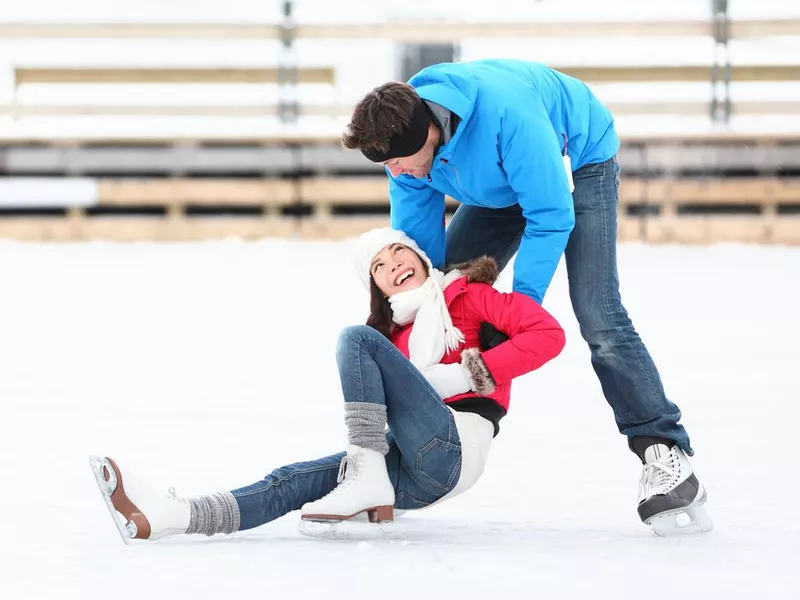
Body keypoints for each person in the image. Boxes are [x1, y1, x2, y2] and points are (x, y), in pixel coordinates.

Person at [340, 58, 712, 535]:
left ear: (427, 135)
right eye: (386, 164)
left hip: (578, 161)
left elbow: (551, 215)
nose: (394, 172)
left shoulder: (507, 116)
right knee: (445, 292)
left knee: (599, 314)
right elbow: (422, 263)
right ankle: (433, 426)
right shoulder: (400, 139)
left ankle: (664, 450)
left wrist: (522, 308)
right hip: (502, 182)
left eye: (396, 161)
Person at [90, 227, 565, 542]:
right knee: (291, 480)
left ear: (419, 256)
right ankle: (177, 516)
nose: (393, 262)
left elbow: (549, 335)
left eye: (398, 249)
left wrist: (466, 374)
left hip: (458, 444)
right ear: (378, 288)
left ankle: (366, 473)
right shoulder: (391, 340)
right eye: (378, 265)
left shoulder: (469, 296)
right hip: (420, 478)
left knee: (354, 339)